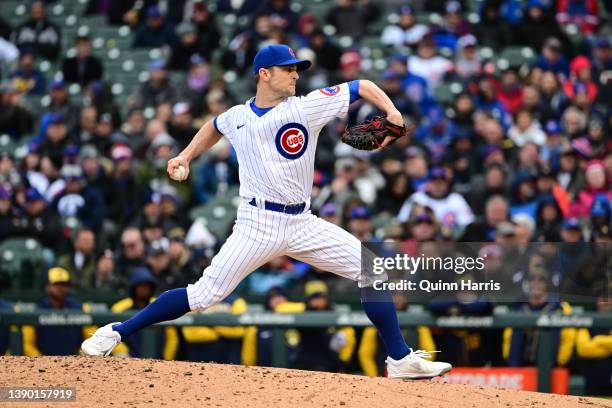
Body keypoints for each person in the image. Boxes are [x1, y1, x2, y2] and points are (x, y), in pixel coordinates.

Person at [82, 44, 452, 379]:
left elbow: (363, 85)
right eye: (288, 68)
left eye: (297, 69)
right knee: (203, 295)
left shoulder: (306, 107)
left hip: (302, 221)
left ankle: (400, 359)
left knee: (371, 269)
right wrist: (184, 156)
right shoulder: (237, 116)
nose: (296, 74)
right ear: (264, 74)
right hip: (256, 224)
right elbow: (213, 126)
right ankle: (114, 332)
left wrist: (393, 111)